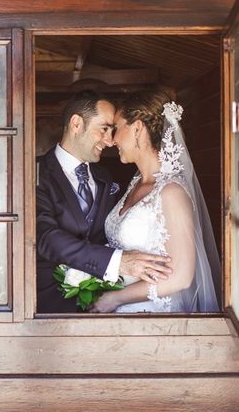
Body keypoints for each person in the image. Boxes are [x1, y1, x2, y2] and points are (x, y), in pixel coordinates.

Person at [36, 90, 173, 313]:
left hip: (106, 307)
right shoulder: (35, 172)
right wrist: (118, 262)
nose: (109, 141)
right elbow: (45, 236)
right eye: (104, 129)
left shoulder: (108, 177)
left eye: (113, 131)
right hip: (48, 305)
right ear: (76, 123)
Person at [89, 89, 221, 313]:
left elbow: (180, 277)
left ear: (138, 128)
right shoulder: (135, 184)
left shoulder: (171, 192)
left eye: (117, 128)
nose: (111, 140)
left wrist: (115, 299)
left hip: (152, 317)